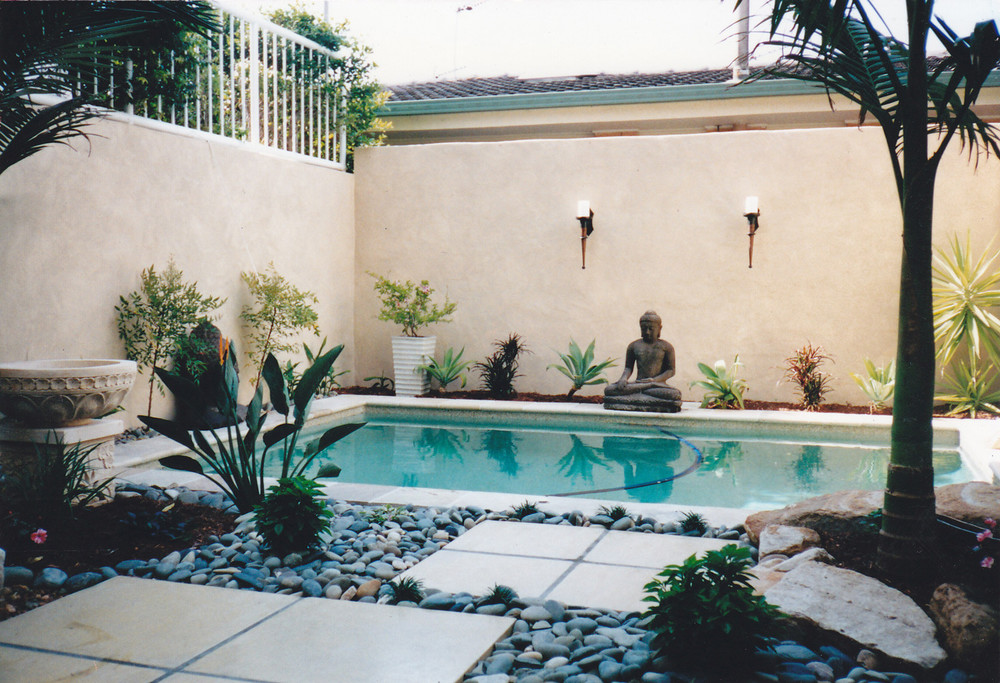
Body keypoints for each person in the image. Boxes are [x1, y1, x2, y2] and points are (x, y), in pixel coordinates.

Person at [604, 311, 681, 412]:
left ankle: (645, 389)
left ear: (659, 329)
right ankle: (645, 388)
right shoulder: (633, 346)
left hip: (657, 386)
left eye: (651, 329)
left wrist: (654, 380)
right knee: (609, 390)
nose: (647, 332)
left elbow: (671, 371)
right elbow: (628, 368)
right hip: (638, 384)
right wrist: (623, 378)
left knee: (674, 395)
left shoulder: (666, 347)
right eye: (644, 329)